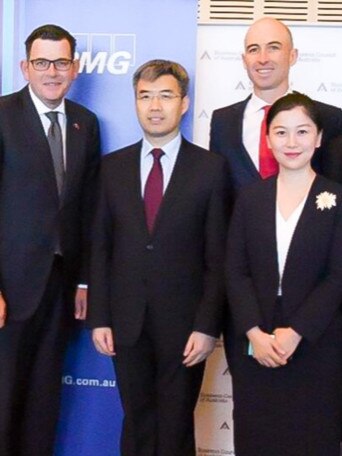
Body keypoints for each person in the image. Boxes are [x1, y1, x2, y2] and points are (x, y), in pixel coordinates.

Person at [87, 59, 232, 456]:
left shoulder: (210, 170)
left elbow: (218, 258)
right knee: (136, 421)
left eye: (165, 96)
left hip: (186, 327)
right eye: (145, 96)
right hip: (126, 321)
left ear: (184, 104)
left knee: (175, 426)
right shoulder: (111, 168)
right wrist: (100, 316)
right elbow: (99, 247)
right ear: (135, 103)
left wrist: (206, 326)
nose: (155, 106)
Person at [0, 24, 100, 456]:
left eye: (61, 62)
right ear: (25, 67)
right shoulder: (1, 115)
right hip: (10, 290)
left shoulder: (85, 122)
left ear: (75, 68)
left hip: (60, 290)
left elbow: (88, 208)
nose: (52, 71)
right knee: (4, 400)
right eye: (42, 62)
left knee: (44, 402)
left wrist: (83, 281)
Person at [226, 93, 342, 456]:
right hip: (256, 342)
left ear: (319, 138)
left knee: (312, 437)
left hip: (316, 341)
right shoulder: (250, 198)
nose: (291, 143)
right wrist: (253, 332)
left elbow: (337, 276)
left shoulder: (336, 198)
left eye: (302, 132)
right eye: (281, 132)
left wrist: (297, 332)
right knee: (257, 438)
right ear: (268, 138)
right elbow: (235, 270)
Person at [210, 17, 342, 192]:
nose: (263, 59)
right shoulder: (223, 121)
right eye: (253, 49)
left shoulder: (330, 118)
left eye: (273, 48)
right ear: (244, 60)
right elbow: (218, 194)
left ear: (292, 56)